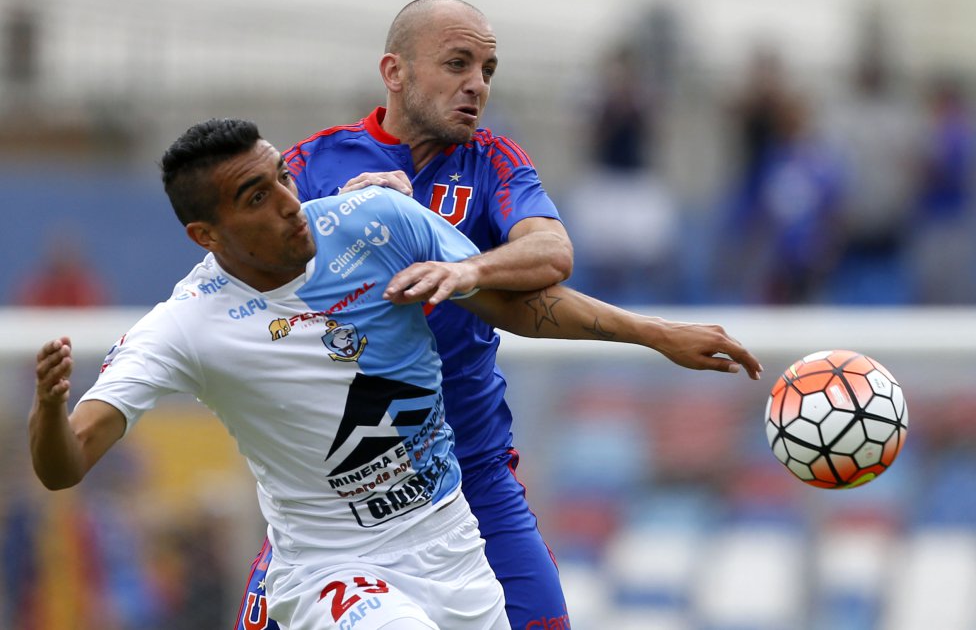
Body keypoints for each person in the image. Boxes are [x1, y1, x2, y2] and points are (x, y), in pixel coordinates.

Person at [30, 119, 762, 629]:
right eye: (256, 197)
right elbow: (68, 463)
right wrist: (49, 411)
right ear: (206, 234)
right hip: (333, 571)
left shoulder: (375, 221)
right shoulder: (185, 325)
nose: (289, 202)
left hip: (450, 541)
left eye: (282, 175)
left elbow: (516, 304)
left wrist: (658, 334)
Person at [239, 0, 765, 630]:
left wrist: (465, 268)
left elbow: (550, 254)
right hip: (337, 494)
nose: (477, 85)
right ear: (395, 71)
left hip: (470, 475)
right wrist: (339, 228)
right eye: (457, 63)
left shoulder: (492, 163)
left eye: (488, 69)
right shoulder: (311, 167)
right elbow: (248, 289)